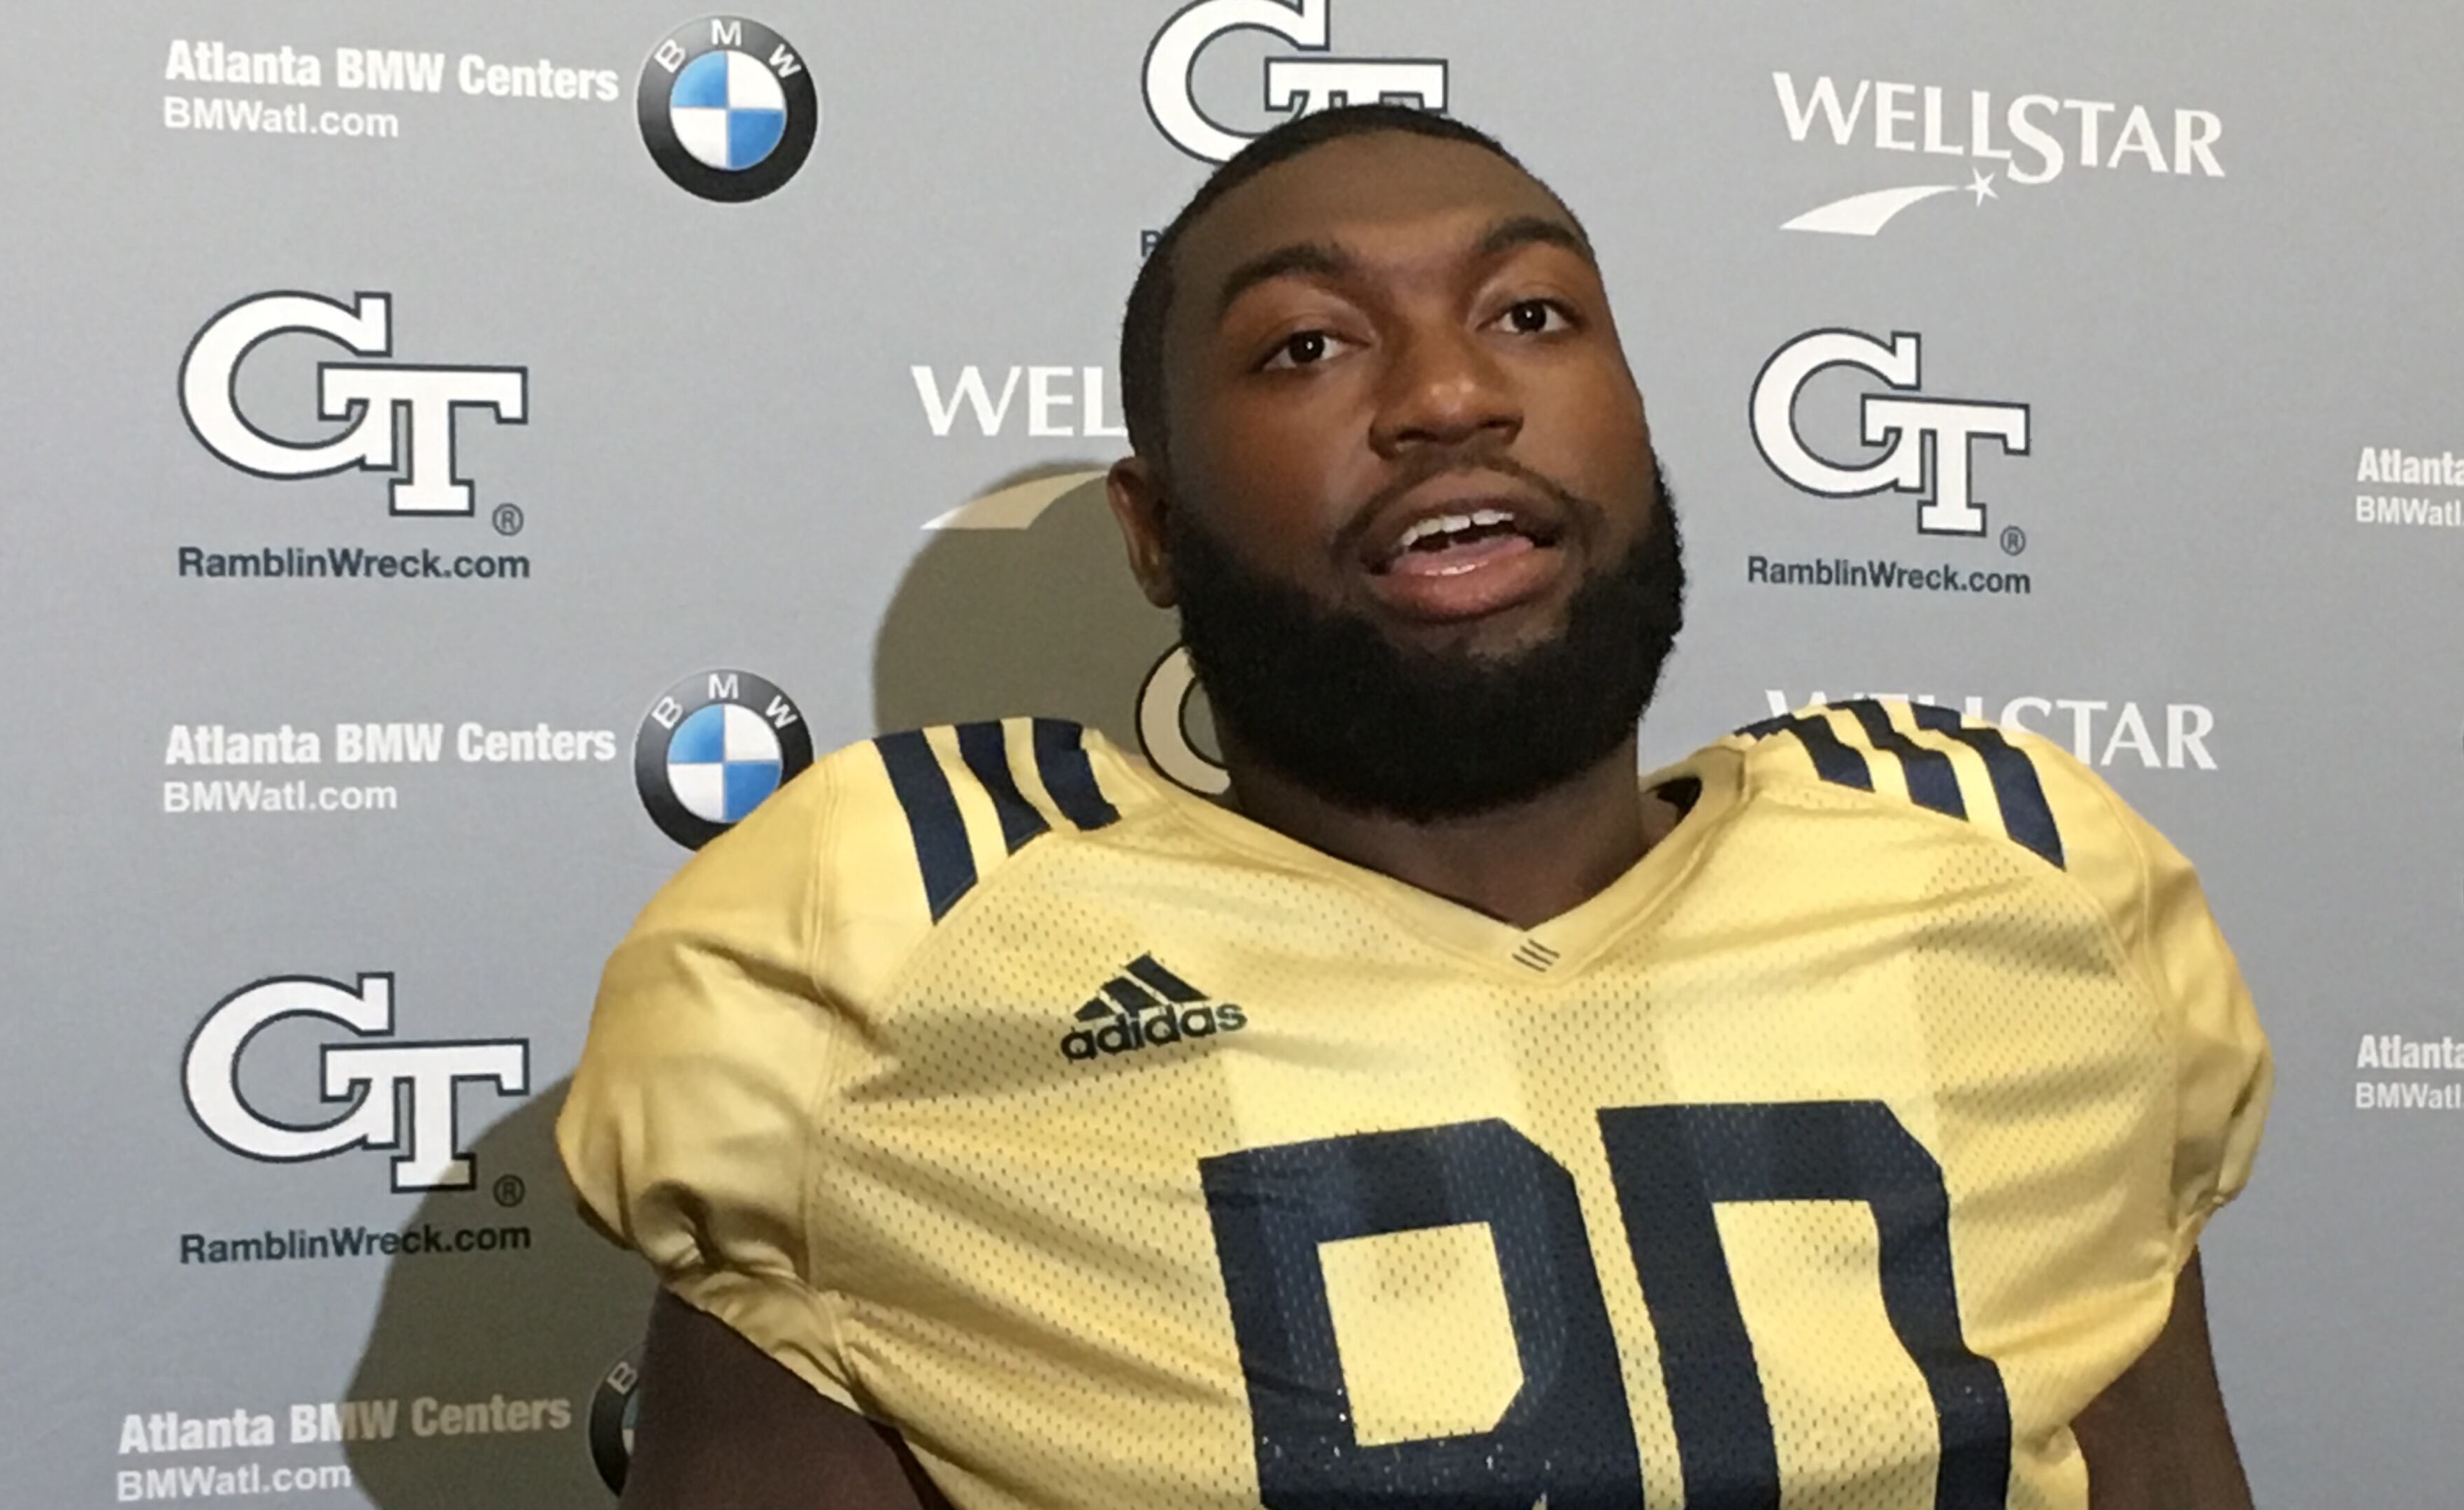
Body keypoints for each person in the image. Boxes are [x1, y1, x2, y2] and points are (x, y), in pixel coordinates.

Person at [559, 104, 2271, 1509]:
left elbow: (2171, 1466)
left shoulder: (2006, 880)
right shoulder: (906, 953)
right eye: (1306, 345)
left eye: (1533, 313)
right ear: (1151, 531)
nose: (1452, 398)